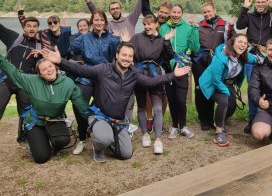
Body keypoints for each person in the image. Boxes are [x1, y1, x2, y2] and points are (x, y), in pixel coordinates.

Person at [41, 43, 191, 163]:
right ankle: (98, 148)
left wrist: (173, 75)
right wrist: (60, 61)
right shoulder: (103, 69)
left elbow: (152, 81)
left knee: (126, 155)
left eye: (130, 56)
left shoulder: (134, 75)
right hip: (100, 116)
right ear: (117, 55)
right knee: (104, 138)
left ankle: (110, 139)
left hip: (118, 121)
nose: (127, 58)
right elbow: (81, 71)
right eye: (124, 55)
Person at [0, 54, 89, 164]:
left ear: (55, 67)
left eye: (50, 66)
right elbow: (14, 73)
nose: (48, 70)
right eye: (44, 69)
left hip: (55, 120)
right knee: (41, 158)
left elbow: (81, 105)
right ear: (40, 74)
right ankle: (36, 139)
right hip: (36, 122)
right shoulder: (31, 81)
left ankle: (51, 140)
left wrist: (91, 119)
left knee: (62, 141)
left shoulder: (68, 83)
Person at [67, 10, 121, 155]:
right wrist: (68, 33)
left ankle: (106, 136)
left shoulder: (113, 39)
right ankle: (83, 138)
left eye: (101, 20)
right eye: (96, 20)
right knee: (78, 103)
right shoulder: (84, 38)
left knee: (105, 105)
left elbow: (120, 56)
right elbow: (70, 50)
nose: (98, 22)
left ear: (105, 22)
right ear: (92, 22)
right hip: (87, 74)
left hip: (105, 75)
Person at [236, 0, 272, 133]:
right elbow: (239, 25)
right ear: (254, 3)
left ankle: (270, 117)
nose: (260, 4)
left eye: (263, 2)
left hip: (268, 54)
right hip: (252, 52)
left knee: (269, 85)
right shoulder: (250, 16)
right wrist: (245, 8)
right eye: (258, 2)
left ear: (267, 3)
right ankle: (252, 119)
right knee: (253, 87)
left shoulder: (271, 15)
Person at [199, 34, 258, 146]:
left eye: (245, 43)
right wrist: (227, 92)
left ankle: (219, 121)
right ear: (232, 43)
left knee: (232, 106)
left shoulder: (242, 55)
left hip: (227, 81)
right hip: (212, 82)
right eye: (240, 42)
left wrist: (262, 60)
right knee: (223, 101)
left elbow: (254, 59)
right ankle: (218, 133)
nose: (243, 45)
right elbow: (216, 80)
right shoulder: (221, 58)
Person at [130, 15, 175, 154]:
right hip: (139, 73)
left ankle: (158, 140)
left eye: (149, 24)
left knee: (157, 108)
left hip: (155, 74)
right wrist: (123, 42)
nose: (147, 27)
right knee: (142, 106)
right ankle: (145, 134)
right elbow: (128, 51)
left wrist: (167, 42)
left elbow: (169, 57)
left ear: (156, 24)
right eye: (144, 24)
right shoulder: (137, 37)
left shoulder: (162, 40)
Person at [192, 0, 235, 131]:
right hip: (200, 61)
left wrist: (232, 28)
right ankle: (203, 119)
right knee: (200, 89)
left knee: (213, 88)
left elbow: (232, 40)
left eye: (209, 11)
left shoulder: (225, 25)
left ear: (214, 10)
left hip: (216, 61)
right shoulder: (199, 25)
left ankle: (212, 119)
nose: (207, 14)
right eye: (204, 12)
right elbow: (192, 41)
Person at [160, 4, 200, 139]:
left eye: (178, 12)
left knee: (181, 99)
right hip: (168, 68)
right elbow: (160, 47)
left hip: (182, 67)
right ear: (170, 13)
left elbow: (195, 47)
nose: (176, 15)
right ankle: (174, 126)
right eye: (173, 12)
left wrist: (195, 28)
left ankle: (183, 126)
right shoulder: (164, 27)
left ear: (182, 14)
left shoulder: (188, 28)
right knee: (171, 98)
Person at [140, 0, 172, 133]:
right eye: (161, 12)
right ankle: (150, 118)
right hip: (149, 62)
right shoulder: (151, 20)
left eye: (166, 13)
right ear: (157, 11)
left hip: (163, 63)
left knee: (164, 93)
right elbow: (144, 6)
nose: (163, 15)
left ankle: (161, 118)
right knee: (148, 91)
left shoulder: (170, 26)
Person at [0, 17, 43, 121]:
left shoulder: (40, 46)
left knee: (26, 114)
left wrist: (42, 55)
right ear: (23, 27)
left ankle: (23, 137)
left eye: (34, 26)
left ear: (38, 28)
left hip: (24, 82)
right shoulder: (13, 37)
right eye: (28, 26)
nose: (31, 29)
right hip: (6, 79)